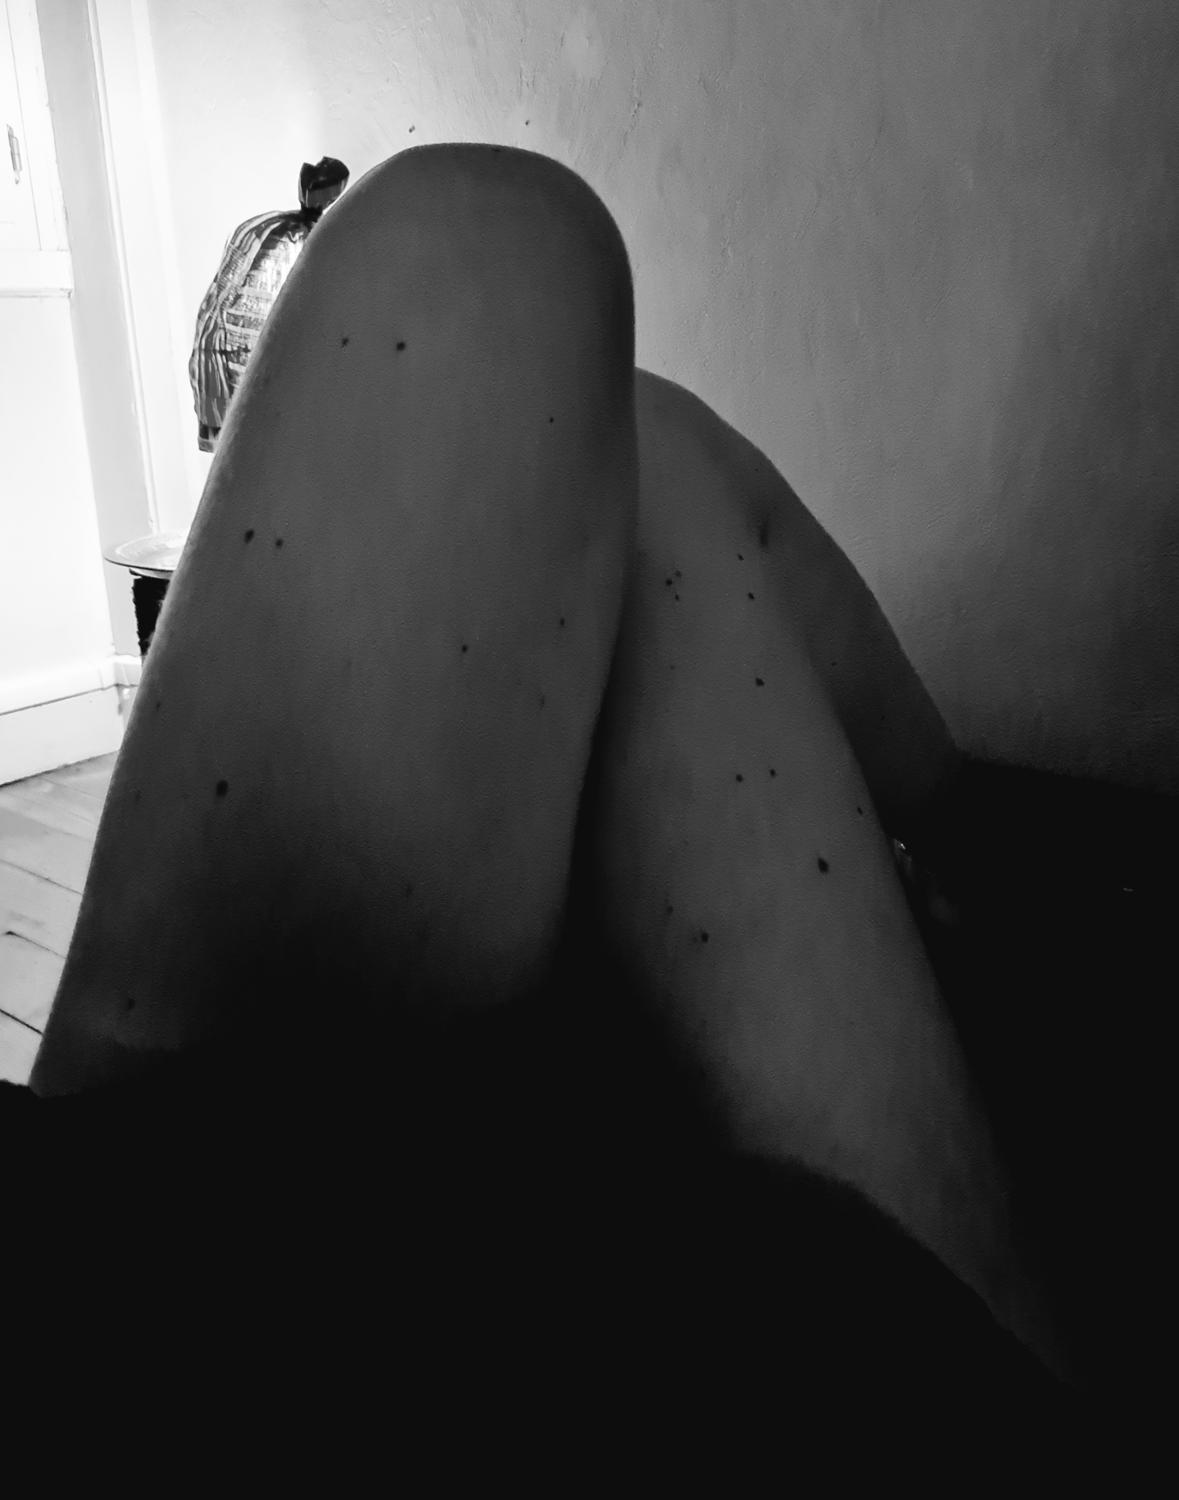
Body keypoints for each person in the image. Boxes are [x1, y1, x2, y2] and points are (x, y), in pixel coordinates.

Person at [4, 143, 1100, 1481]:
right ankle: (992, 885)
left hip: (146, 1226)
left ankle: (981, 860)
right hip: (179, 1317)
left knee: (508, 276)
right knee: (568, 356)